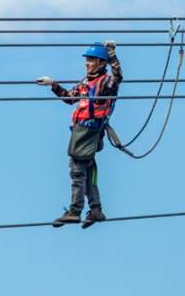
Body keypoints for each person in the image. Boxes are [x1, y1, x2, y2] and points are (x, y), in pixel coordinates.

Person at [37, 40, 123, 229]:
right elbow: (70, 98)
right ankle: (96, 210)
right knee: (87, 169)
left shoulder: (105, 82)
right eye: (87, 59)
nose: (87, 63)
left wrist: (112, 56)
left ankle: (75, 211)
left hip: (89, 130)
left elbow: (118, 77)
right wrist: (53, 84)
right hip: (81, 131)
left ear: (102, 63)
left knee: (77, 169)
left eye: (92, 59)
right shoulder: (85, 82)